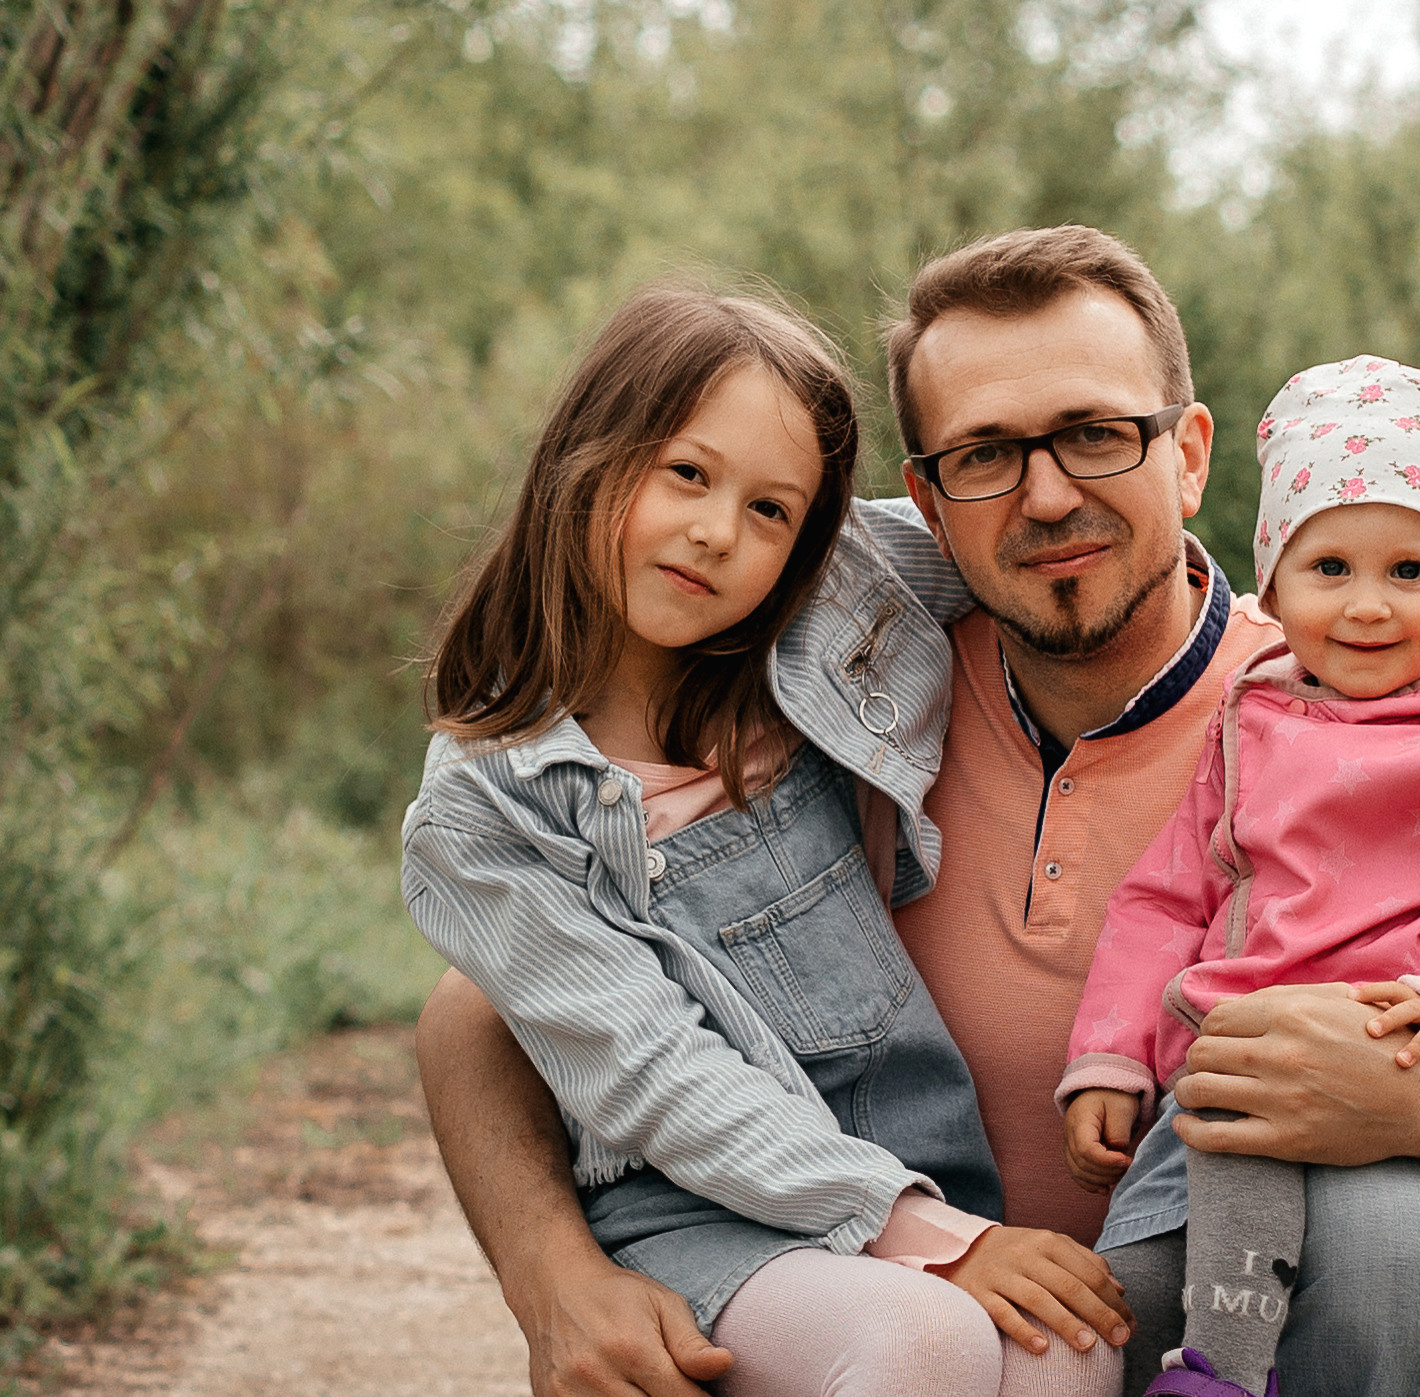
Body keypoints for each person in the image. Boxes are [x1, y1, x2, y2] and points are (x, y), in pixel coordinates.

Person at [412, 226, 1420, 1397]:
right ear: (925, 503)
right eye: (984, 454)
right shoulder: (838, 676)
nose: (1044, 497)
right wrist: (551, 1272)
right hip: (927, 1324)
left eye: (1095, 433)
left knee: (1393, 1220)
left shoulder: (1364, 725)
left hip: (1210, 1329)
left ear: (1187, 455)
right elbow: (487, 1000)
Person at [400, 281, 1127, 1396]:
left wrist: (1329, 598)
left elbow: (1020, 547)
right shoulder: (487, 811)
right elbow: (648, 1072)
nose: (716, 534)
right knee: (921, 1342)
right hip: (696, 1207)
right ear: (585, 457)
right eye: (686, 474)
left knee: (1067, 1344)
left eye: (771, 511)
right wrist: (926, 1234)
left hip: (919, 1158)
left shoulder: (826, 609)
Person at [1058, 356, 1420, 1397]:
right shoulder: (1251, 719)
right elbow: (1169, 895)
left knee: (1369, 1274)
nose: (1368, 605)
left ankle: (1224, 1375)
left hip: (1389, 1074)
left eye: (1409, 571)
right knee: (1132, 1296)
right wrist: (1109, 1054)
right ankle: (1212, 1364)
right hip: (1227, 1080)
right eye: (1330, 567)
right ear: (1273, 585)